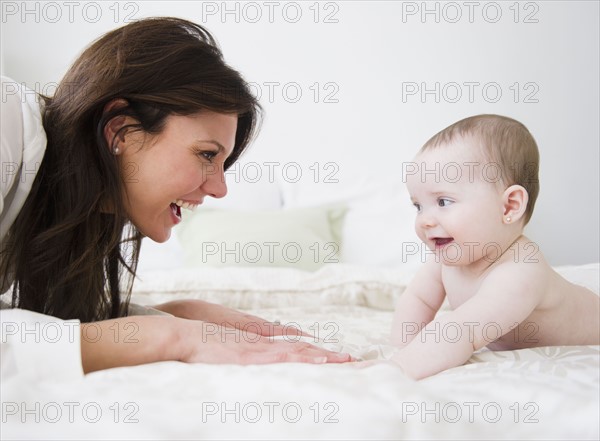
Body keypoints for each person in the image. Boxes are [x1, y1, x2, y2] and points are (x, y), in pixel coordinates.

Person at [0, 17, 351, 374]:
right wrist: (173, 337)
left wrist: (174, 315)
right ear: (120, 131)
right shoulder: (5, 118)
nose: (220, 188)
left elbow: (38, 327)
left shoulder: (71, 210)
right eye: (206, 155)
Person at [390, 114, 600, 380]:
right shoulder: (447, 260)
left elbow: (462, 331)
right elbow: (417, 300)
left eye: (443, 201)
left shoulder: (522, 269)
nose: (425, 221)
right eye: (418, 206)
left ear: (509, 206)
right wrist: (399, 351)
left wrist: (398, 370)